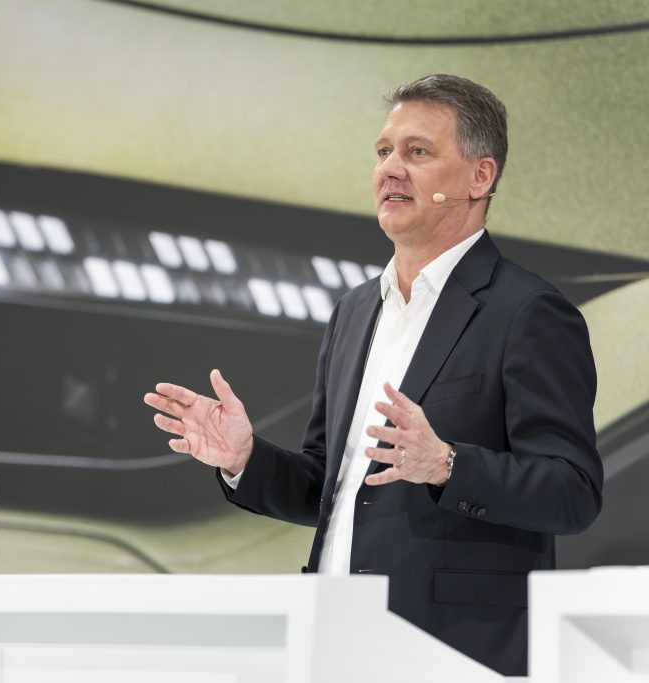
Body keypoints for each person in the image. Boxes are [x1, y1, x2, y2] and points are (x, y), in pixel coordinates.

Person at [143, 74, 602, 677]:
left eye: (417, 151)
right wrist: (245, 459)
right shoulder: (355, 310)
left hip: (455, 650)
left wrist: (447, 464)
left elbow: (573, 492)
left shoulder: (528, 312)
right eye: (383, 151)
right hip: (336, 639)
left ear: (480, 177)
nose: (390, 169)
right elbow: (328, 487)